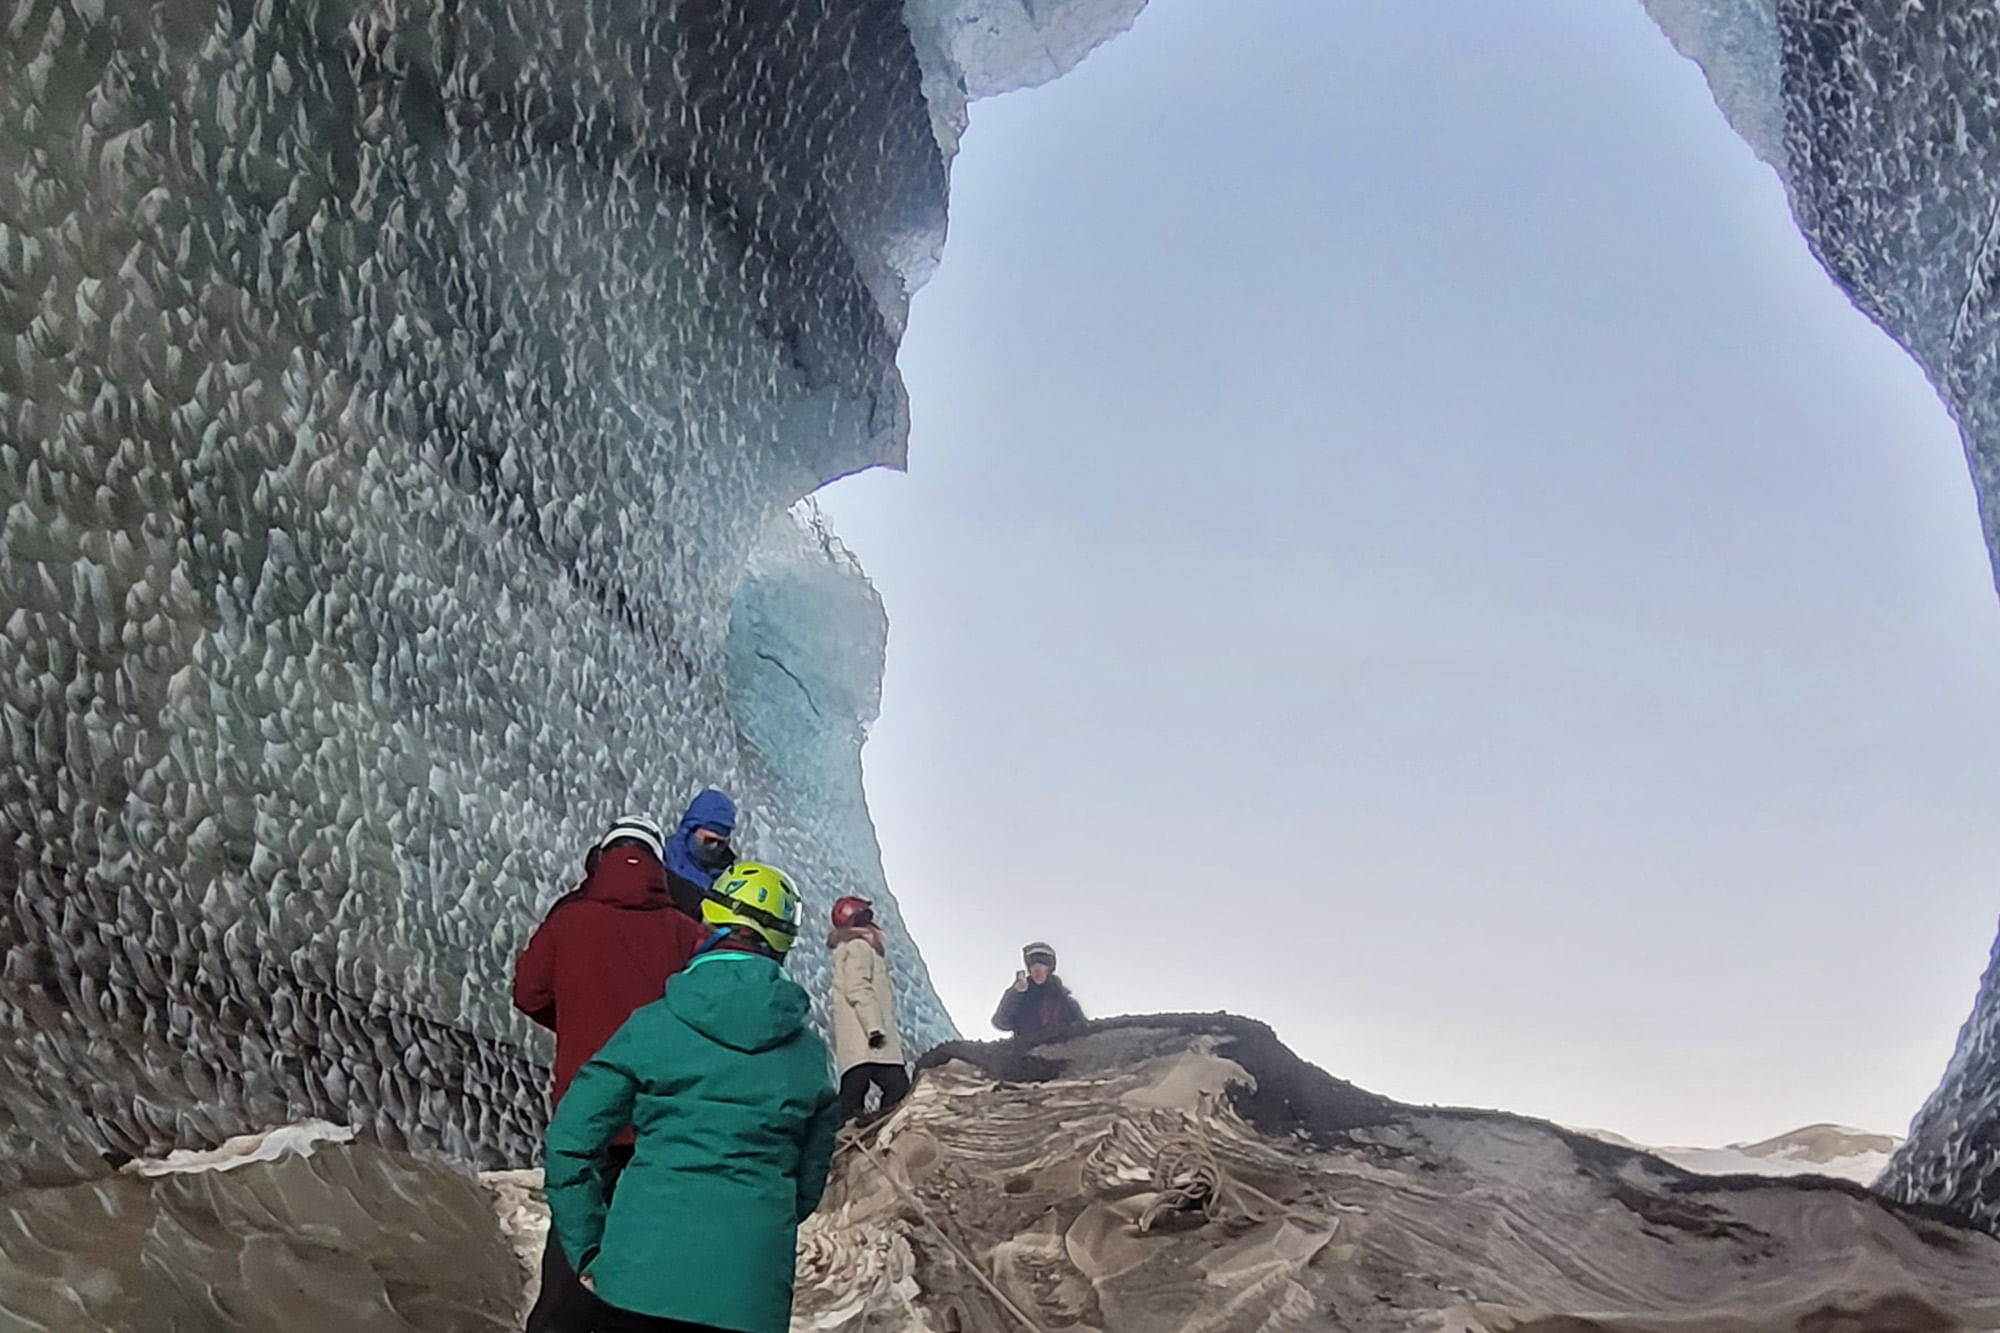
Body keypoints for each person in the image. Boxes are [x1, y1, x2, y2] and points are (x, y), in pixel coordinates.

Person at [544, 862, 839, 1333]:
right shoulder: (810, 1058)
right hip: (750, 1300)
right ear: (782, 944)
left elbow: (569, 1143)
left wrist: (588, 1250)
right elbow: (804, 1189)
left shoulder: (653, 1026)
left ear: (706, 925)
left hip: (634, 1282)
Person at [513, 815, 708, 1333]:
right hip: (659, 1117)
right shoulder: (687, 932)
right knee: (650, 1243)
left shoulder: (569, 919)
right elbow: (707, 1011)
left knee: (576, 1231)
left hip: (588, 1109)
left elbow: (529, 992)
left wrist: (575, 1022)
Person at [827, 895, 909, 1124]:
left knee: (852, 1098)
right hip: (871, 1041)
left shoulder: (854, 947)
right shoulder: (860, 947)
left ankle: (848, 1141)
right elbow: (858, 988)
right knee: (897, 1091)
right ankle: (878, 1135)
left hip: (862, 1045)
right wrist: (874, 1028)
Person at [662, 788, 738, 919]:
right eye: (710, 840)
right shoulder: (660, 856)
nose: (715, 847)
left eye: (722, 843)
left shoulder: (728, 879)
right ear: (691, 829)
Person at [992, 941, 1084, 1043]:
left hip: (1060, 1054)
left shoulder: (1065, 1002)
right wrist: (1015, 994)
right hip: (1026, 1055)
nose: (1037, 970)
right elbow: (1001, 1022)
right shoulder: (1020, 997)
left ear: (1049, 968)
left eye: (1042, 964)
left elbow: (1083, 1030)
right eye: (1032, 965)